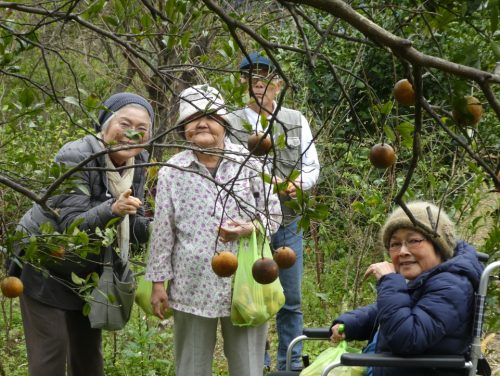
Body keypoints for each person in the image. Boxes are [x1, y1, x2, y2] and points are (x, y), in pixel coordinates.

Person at [8, 92, 154, 376]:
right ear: (104, 125)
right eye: (125, 123)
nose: (132, 134)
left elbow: (133, 220)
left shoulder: (139, 161)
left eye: (142, 128)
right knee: (50, 355)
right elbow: (71, 225)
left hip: (88, 273)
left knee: (89, 357)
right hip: (46, 264)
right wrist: (112, 208)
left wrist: (156, 226)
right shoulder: (76, 155)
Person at [146, 84, 282, 376]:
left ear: (224, 124)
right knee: (191, 367)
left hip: (245, 280)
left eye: (211, 116)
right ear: (184, 128)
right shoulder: (172, 170)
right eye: (194, 118)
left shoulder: (249, 162)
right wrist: (158, 283)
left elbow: (273, 213)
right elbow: (163, 231)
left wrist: (250, 227)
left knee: (248, 366)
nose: (202, 123)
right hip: (192, 283)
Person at [224, 51, 321, 371]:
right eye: (252, 80)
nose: (259, 86)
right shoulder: (230, 122)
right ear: (242, 83)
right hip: (248, 222)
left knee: (290, 301)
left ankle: (290, 366)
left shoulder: (295, 120)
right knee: (252, 295)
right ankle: (258, 363)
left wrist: (297, 183)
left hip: (289, 220)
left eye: (265, 79)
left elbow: (311, 167)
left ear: (278, 83)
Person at [330, 201, 485, 376]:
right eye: (395, 244)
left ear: (439, 246)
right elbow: (388, 313)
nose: (402, 251)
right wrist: (349, 323)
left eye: (413, 241)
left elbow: (408, 339)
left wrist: (389, 281)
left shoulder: (452, 285)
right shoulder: (428, 278)